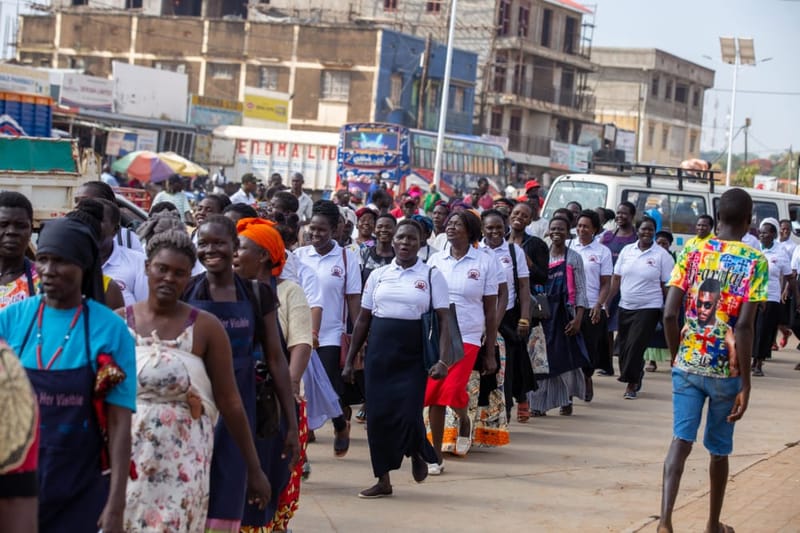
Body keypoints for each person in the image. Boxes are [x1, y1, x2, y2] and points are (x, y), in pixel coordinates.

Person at [123, 230, 271, 532]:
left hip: (185, 458)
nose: (168, 278)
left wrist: (254, 469)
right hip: (128, 454)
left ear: (189, 276)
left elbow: (230, 401)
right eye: (161, 269)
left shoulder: (206, 328)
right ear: (147, 267)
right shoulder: (118, 323)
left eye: (179, 273)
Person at [0, 216, 136, 532]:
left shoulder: (111, 329)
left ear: (84, 266)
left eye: (61, 261)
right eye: (44, 259)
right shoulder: (11, 319)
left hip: (81, 483)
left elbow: (119, 422)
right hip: (16, 481)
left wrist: (116, 503)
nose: (48, 270)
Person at [658, 188, 767, 533]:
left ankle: (665, 521)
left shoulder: (691, 251)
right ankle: (711, 525)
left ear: (718, 217)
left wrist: (677, 356)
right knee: (719, 451)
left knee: (680, 441)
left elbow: (669, 314)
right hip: (726, 373)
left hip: (688, 365)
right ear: (749, 220)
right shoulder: (756, 261)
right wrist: (746, 383)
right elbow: (745, 327)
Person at [183, 215, 299, 532]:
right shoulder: (187, 291)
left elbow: (276, 358)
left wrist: (291, 423)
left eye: (219, 243)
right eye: (203, 243)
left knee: (233, 493)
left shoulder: (257, 294)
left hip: (242, 408)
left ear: (234, 247)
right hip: (194, 408)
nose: (210, 250)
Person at [342, 219, 449, 498]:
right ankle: (383, 480)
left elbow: (444, 320)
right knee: (378, 417)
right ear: (393, 240)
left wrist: (443, 360)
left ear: (421, 242)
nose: (405, 243)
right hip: (379, 353)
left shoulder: (431, 275)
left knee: (409, 412)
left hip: (413, 354)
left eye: (411, 238)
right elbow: (363, 319)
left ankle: (417, 450)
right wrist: (350, 359)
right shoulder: (378, 275)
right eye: (401, 237)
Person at [233, 218, 311, 532]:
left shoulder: (289, 292)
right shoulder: (225, 291)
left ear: (264, 255)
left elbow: (301, 343)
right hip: (235, 399)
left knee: (273, 475)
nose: (233, 255)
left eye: (241, 248)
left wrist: (289, 387)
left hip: (274, 400)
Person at [425, 209, 499, 474]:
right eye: (450, 223)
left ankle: (463, 419)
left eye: (457, 224)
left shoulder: (485, 262)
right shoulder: (436, 260)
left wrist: (489, 351)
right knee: (435, 393)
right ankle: (436, 457)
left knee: (451, 388)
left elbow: (491, 309)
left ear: (470, 231)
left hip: (468, 334)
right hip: (440, 334)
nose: (451, 227)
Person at [294, 200, 362, 457]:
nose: (315, 234)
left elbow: (353, 299)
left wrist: (358, 337)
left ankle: (340, 424)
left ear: (335, 230)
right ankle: (306, 430)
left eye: (322, 229)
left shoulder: (347, 258)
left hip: (331, 333)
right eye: (312, 228)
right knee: (301, 385)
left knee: (326, 385)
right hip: (300, 330)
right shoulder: (299, 256)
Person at [0, 192, 38, 531]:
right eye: (3, 224)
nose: (11, 232)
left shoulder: (42, 282)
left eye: (20, 225)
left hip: (23, 403)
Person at [528, 216, 590, 416]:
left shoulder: (574, 258)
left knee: (564, 360)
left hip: (565, 315)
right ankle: (538, 405)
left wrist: (578, 319)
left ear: (567, 231)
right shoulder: (541, 254)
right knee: (539, 359)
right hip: (542, 313)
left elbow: (581, 290)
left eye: (561, 229)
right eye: (553, 228)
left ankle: (566, 397)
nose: (556, 232)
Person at [609, 217, 675, 399]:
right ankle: (636, 375)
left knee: (636, 346)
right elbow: (616, 278)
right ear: (637, 230)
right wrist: (606, 301)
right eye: (644, 229)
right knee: (624, 348)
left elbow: (666, 284)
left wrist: (669, 308)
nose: (647, 232)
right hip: (625, 305)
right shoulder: (627, 250)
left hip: (649, 307)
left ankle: (631, 385)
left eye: (651, 229)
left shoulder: (662, 255)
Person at [480, 209, 534, 419]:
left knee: (508, 365)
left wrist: (525, 317)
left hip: (508, 316)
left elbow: (523, 286)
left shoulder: (514, 251)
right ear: (482, 229)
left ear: (506, 228)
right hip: (481, 316)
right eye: (490, 228)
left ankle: (508, 408)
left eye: (499, 228)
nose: (495, 232)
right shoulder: (477, 251)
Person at [572, 209, 613, 401]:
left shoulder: (602, 252)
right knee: (570, 348)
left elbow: (606, 283)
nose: (581, 230)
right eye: (579, 226)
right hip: (570, 305)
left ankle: (587, 377)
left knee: (589, 348)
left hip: (591, 307)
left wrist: (599, 304)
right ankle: (570, 390)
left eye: (586, 227)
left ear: (595, 229)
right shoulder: (568, 246)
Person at [598, 201, 639, 376]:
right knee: (606, 329)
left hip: (628, 288)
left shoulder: (636, 238)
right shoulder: (608, 237)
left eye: (624, 213)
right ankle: (607, 366)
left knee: (625, 331)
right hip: (608, 287)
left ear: (632, 216)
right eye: (618, 213)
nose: (620, 216)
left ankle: (626, 367)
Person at [752, 218, 792, 376]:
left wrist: (796, 297)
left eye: (765, 233)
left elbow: (789, 276)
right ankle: (751, 359)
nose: (762, 235)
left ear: (774, 235)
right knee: (752, 329)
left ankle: (758, 363)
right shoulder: (755, 248)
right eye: (760, 233)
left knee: (764, 330)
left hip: (771, 297)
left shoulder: (781, 253)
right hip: (752, 296)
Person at [96, 199, 149, 306]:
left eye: (99, 219)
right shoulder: (71, 262)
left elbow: (145, 309)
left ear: (115, 229)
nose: (91, 224)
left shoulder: (139, 263)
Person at [74, 180, 144, 252]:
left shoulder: (129, 238)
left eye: (85, 201)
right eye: (76, 201)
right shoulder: (72, 233)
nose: (77, 206)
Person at [645, 230, 676, 372]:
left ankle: (673, 359)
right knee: (652, 330)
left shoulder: (674, 258)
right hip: (653, 296)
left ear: (670, 245)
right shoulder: (650, 257)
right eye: (659, 243)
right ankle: (651, 360)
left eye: (665, 243)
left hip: (670, 296)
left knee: (670, 329)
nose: (662, 246)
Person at [360, 214, 396, 284]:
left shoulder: (399, 256)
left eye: (388, 227)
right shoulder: (364, 253)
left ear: (396, 230)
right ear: (374, 229)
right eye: (379, 227)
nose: (383, 230)